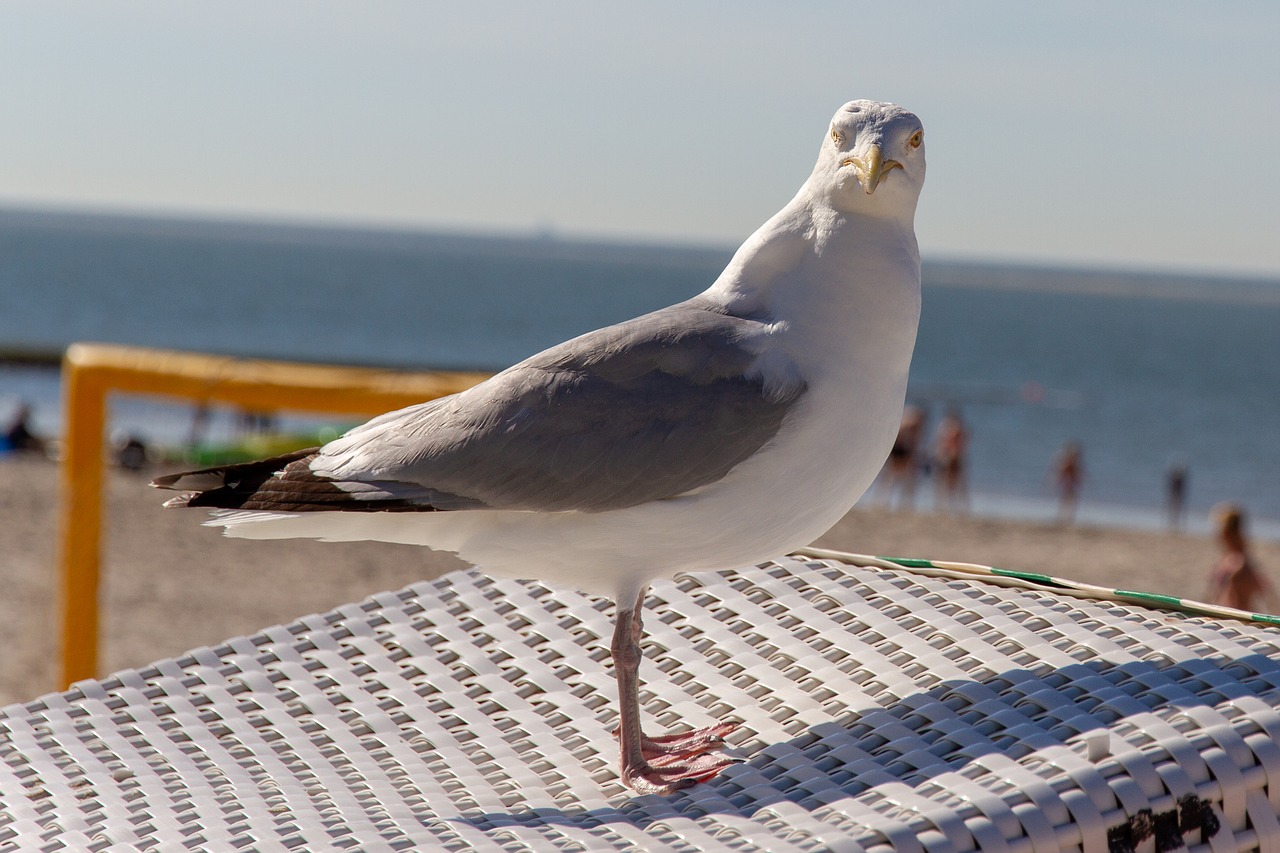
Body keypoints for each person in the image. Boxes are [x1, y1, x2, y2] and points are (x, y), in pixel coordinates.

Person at [1205, 504, 1278, 613]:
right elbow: (1267, 592)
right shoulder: (1241, 560)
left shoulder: (1236, 564)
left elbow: (1234, 602)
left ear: (1225, 533)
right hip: (1235, 616)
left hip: (1233, 618)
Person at [880, 405, 926, 510]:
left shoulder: (909, 422)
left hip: (898, 448)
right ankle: (890, 501)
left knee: (896, 476)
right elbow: (910, 443)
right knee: (895, 476)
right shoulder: (911, 424)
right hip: (898, 449)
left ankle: (893, 501)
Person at [932, 409, 969, 514]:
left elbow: (942, 444)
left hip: (950, 457)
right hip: (952, 457)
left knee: (948, 483)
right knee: (954, 483)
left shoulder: (949, 428)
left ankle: (947, 506)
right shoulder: (955, 428)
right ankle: (957, 506)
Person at [1051, 441, 1084, 525]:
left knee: (1068, 501)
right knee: (1068, 501)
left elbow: (1076, 475)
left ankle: (1065, 518)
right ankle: (1064, 519)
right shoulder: (1069, 463)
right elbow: (1063, 474)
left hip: (1069, 485)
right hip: (1068, 485)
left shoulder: (1071, 463)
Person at [1166, 463, 1188, 531]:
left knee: (1176, 509)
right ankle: (1172, 523)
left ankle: (1175, 524)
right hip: (1175, 495)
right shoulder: (1176, 479)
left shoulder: (1177, 479)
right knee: (1174, 509)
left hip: (1176, 495)